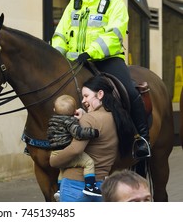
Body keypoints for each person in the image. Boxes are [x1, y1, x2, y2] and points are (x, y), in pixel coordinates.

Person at [51, 0, 150, 159]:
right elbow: (60, 33)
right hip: (75, 61)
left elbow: (114, 34)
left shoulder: (115, 3)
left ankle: (141, 139)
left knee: (130, 92)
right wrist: (56, 56)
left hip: (106, 60)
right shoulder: (74, 3)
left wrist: (91, 52)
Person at [49, 74, 136, 202]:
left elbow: (75, 149)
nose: (83, 101)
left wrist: (53, 161)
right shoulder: (117, 118)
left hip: (75, 186)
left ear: (100, 94)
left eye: (86, 96)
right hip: (100, 185)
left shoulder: (89, 119)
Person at [48, 95, 101, 199]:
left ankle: (59, 189)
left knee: (62, 169)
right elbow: (79, 133)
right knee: (88, 162)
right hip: (66, 150)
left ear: (54, 110)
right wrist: (93, 132)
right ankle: (90, 187)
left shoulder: (51, 121)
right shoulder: (70, 121)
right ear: (74, 111)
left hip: (55, 152)